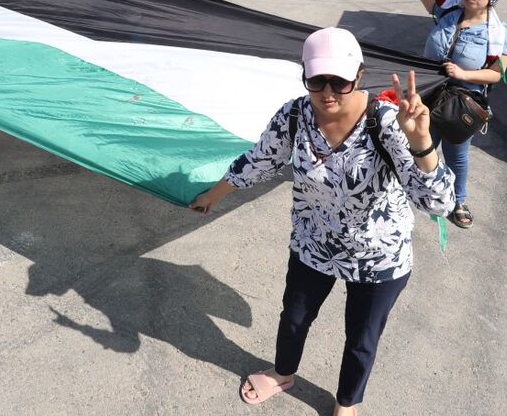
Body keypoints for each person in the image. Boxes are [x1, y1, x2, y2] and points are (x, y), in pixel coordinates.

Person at [189, 27, 454, 414]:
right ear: (304, 74)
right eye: (317, 80)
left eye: (340, 82)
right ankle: (282, 373)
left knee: (361, 337)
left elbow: (438, 203)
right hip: (313, 244)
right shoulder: (295, 115)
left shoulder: (386, 122)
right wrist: (212, 195)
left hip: (378, 255)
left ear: (359, 76)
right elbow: (258, 161)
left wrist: (422, 144)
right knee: (294, 317)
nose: (328, 92)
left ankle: (348, 403)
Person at [383, 0, 507, 228]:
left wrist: (464, 75)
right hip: (427, 92)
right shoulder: (447, 9)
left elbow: (496, 73)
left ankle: (457, 200)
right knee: (412, 145)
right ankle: (404, 192)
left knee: (457, 151)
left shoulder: (498, 33)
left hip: (461, 100)